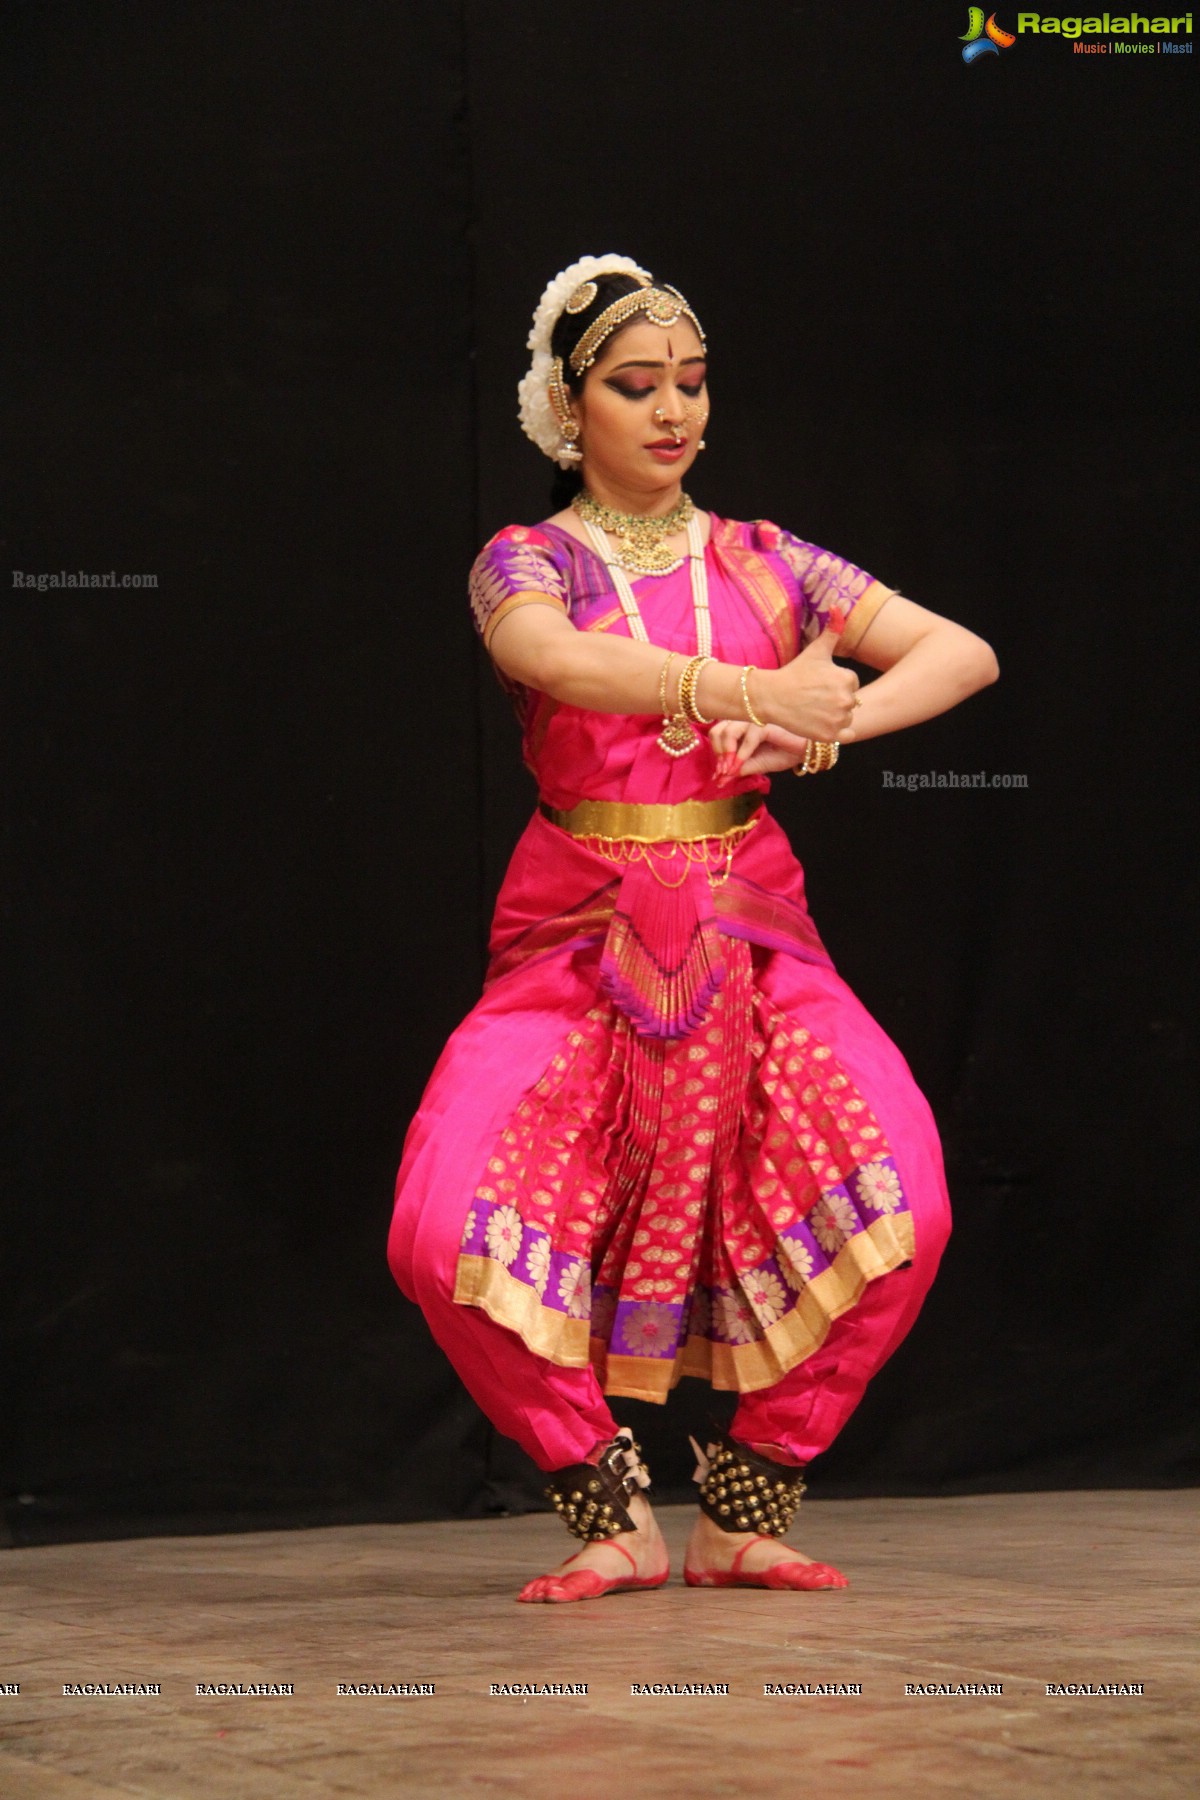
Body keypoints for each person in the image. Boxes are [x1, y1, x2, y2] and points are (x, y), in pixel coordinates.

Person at [388, 254, 998, 1604]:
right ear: (566, 407)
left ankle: (748, 1496)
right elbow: (551, 658)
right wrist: (744, 681)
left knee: (909, 1203)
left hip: (752, 933)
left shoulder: (769, 558)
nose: (673, 411)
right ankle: (608, 1506)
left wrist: (809, 730)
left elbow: (959, 652)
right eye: (634, 385)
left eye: (693, 383)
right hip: (576, 936)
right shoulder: (526, 558)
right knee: (441, 1231)